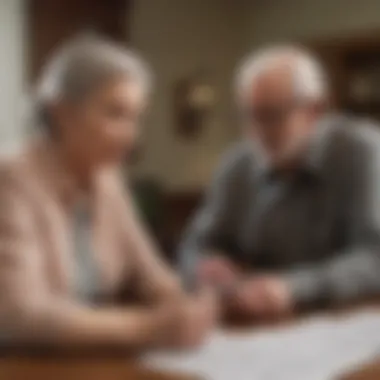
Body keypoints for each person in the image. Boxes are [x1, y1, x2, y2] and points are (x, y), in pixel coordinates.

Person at [0, 36, 217, 349]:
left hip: (83, 359)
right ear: (61, 113)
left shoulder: (108, 180)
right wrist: (149, 328)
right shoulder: (11, 180)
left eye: (136, 117)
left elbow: (150, 273)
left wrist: (186, 305)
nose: (132, 135)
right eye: (115, 114)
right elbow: (18, 314)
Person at [179, 45, 380, 319]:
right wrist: (205, 266)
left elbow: (374, 257)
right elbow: (195, 245)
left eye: (271, 116)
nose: (257, 132)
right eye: (249, 115)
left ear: (315, 111)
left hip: (348, 320)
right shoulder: (236, 165)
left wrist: (293, 288)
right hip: (257, 324)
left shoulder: (362, 152)